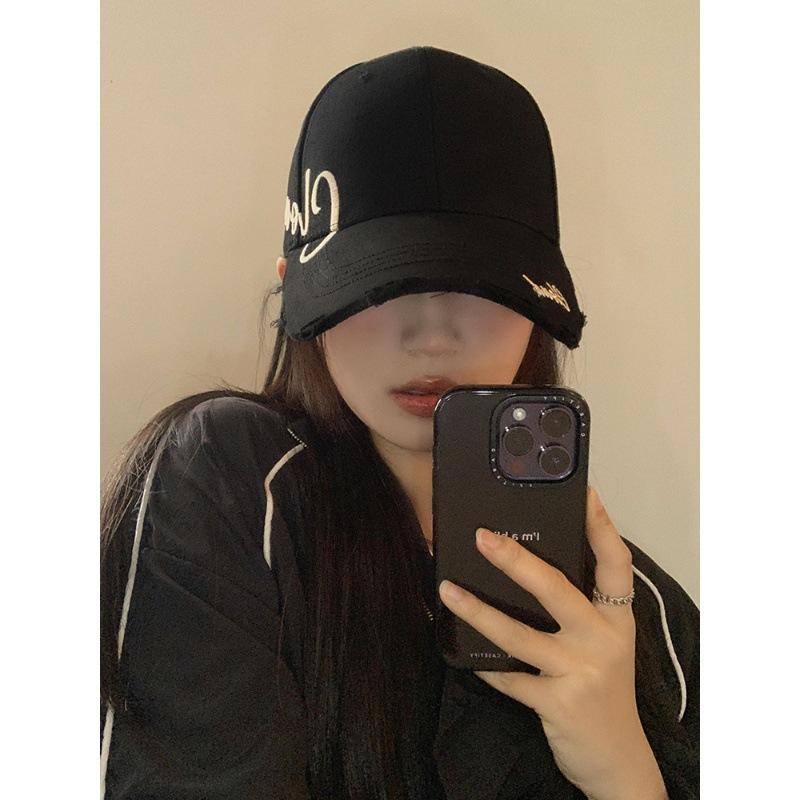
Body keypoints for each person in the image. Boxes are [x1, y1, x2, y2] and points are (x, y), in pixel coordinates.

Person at [100, 46, 699, 799]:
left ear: (537, 304)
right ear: (300, 295)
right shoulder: (230, 483)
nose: (432, 335)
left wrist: (626, 771)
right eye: (380, 283)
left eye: (479, 283)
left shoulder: (638, 608)